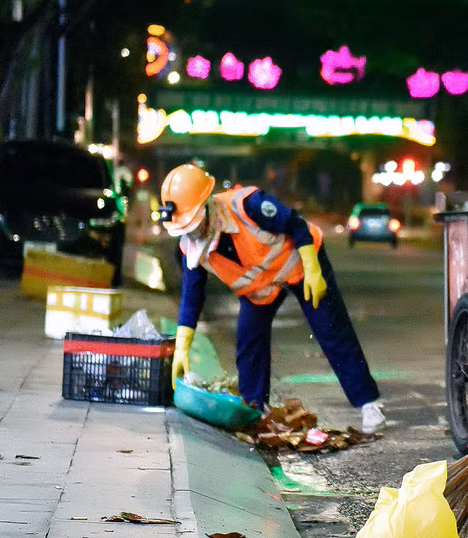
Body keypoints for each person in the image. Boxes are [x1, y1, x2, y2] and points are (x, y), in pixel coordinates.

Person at [158, 164, 386, 433]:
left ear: (207, 204)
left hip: (300, 267)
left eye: (194, 224)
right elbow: (191, 296)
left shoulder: (248, 205)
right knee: (249, 341)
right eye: (185, 229)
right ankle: (255, 411)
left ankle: (368, 403)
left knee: (331, 331)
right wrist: (183, 344)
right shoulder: (191, 248)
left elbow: (296, 224)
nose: (194, 233)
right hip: (261, 290)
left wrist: (313, 267)